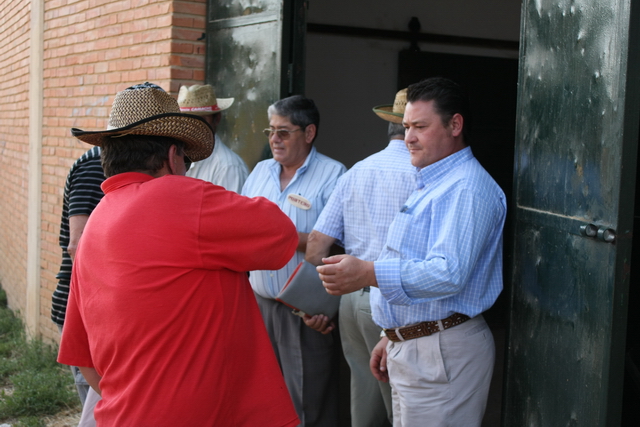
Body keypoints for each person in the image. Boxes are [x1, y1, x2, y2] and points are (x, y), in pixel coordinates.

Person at [57, 82, 300, 426]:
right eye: (185, 159)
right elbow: (281, 235)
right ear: (173, 156)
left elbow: (84, 360)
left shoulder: (95, 224)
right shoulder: (180, 194)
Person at [317, 77, 507, 427]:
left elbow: (448, 273)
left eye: (420, 126)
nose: (408, 138)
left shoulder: (466, 188)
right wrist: (393, 336)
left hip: (441, 351)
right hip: (421, 344)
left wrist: (368, 273)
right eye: (405, 127)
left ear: (455, 125)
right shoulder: (432, 180)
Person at [304, 88, 414, 427]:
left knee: (364, 401)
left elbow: (315, 251)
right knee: (402, 406)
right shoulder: (423, 174)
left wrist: (351, 260)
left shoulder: (357, 171)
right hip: (393, 300)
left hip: (351, 302)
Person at [242, 95, 346, 426]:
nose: (274, 139)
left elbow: (341, 246)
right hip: (259, 303)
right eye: (271, 131)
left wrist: (279, 237)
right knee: (260, 400)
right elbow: (240, 228)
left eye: (284, 132)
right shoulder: (260, 171)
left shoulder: (334, 174)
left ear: (309, 133)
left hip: (305, 311)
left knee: (305, 403)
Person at [51, 146, 105, 424]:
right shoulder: (95, 165)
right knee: (97, 412)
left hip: (92, 306)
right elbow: (78, 245)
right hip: (85, 307)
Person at [177, 84, 249, 192]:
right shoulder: (176, 157)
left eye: (200, 119)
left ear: (217, 119)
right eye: (186, 119)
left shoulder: (228, 167)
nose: (192, 126)